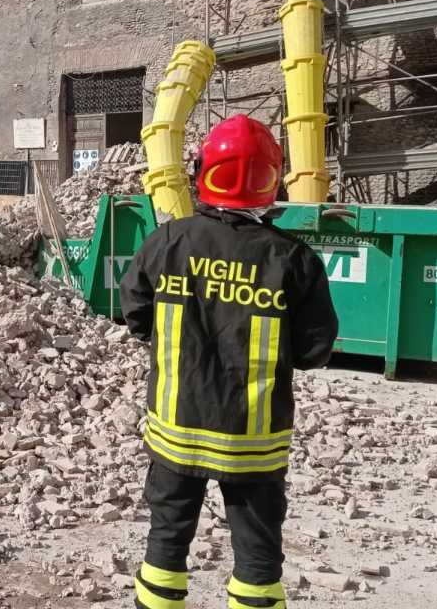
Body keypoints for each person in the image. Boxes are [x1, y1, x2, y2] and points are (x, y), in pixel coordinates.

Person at [120, 114, 338, 609]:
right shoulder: (293, 258)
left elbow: (136, 317)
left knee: (166, 541)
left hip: (177, 431)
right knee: (258, 555)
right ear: (271, 180)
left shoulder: (168, 242)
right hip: (254, 442)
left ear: (203, 173)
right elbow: (314, 351)